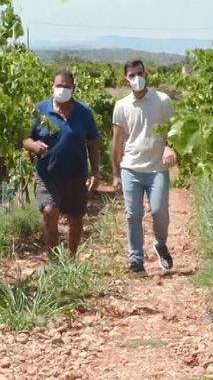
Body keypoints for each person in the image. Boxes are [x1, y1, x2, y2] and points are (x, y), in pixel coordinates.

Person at [23, 68, 101, 257]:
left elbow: (93, 143)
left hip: (75, 175)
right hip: (47, 174)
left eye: (66, 86)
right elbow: (25, 138)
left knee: (75, 219)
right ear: (52, 86)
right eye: (59, 86)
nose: (62, 89)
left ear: (73, 88)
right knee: (49, 212)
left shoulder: (84, 112)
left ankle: (72, 259)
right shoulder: (40, 110)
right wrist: (34, 146)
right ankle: (54, 261)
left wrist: (95, 171)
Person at [111, 59, 177, 276]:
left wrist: (169, 147)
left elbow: (174, 130)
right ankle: (136, 259)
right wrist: (116, 174)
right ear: (125, 78)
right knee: (134, 214)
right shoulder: (122, 106)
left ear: (146, 74)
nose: (136, 78)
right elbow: (117, 141)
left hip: (157, 168)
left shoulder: (162, 100)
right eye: (131, 75)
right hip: (131, 167)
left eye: (139, 73)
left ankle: (160, 244)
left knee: (159, 211)